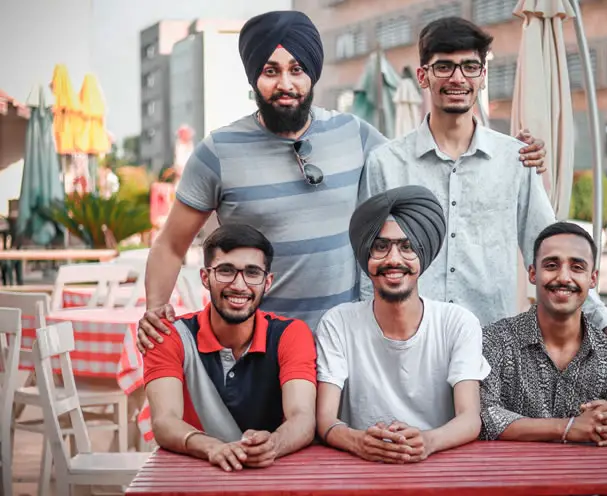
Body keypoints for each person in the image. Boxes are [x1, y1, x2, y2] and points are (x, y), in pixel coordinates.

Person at [136, 10, 545, 350]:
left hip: (345, 345)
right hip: (255, 346)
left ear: (312, 73)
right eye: (270, 70)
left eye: (297, 69)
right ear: (253, 78)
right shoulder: (217, 151)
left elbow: (426, 161)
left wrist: (516, 156)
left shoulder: (356, 135)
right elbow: (171, 244)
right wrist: (156, 307)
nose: (285, 84)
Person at [360, 16, 607, 361]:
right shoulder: (385, 162)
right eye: (444, 67)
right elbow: (366, 264)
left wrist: (606, 322)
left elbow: (552, 252)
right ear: (423, 76)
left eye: (469, 67)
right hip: (405, 346)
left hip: (489, 350)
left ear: (483, 76)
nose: (457, 78)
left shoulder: (515, 160)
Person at [315, 186, 489, 464]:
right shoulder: (338, 323)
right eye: (381, 247)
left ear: (423, 255)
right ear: (366, 256)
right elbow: (325, 419)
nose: (394, 260)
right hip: (356, 468)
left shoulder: (458, 323)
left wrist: (427, 441)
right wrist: (357, 442)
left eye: (407, 247)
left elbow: (469, 418)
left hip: (439, 465)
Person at [479, 222, 607, 472]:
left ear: (593, 278)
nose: (564, 277)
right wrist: (569, 427)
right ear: (532, 273)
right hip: (511, 484)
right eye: (551, 265)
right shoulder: (495, 341)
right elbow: (482, 418)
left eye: (577, 267)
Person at [143, 224, 317, 471]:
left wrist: (273, 445)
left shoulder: (291, 334)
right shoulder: (170, 335)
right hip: (194, 472)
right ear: (205, 277)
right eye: (225, 271)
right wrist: (211, 447)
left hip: (270, 472)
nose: (239, 284)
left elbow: (302, 417)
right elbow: (164, 421)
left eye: (252, 273)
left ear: (267, 282)